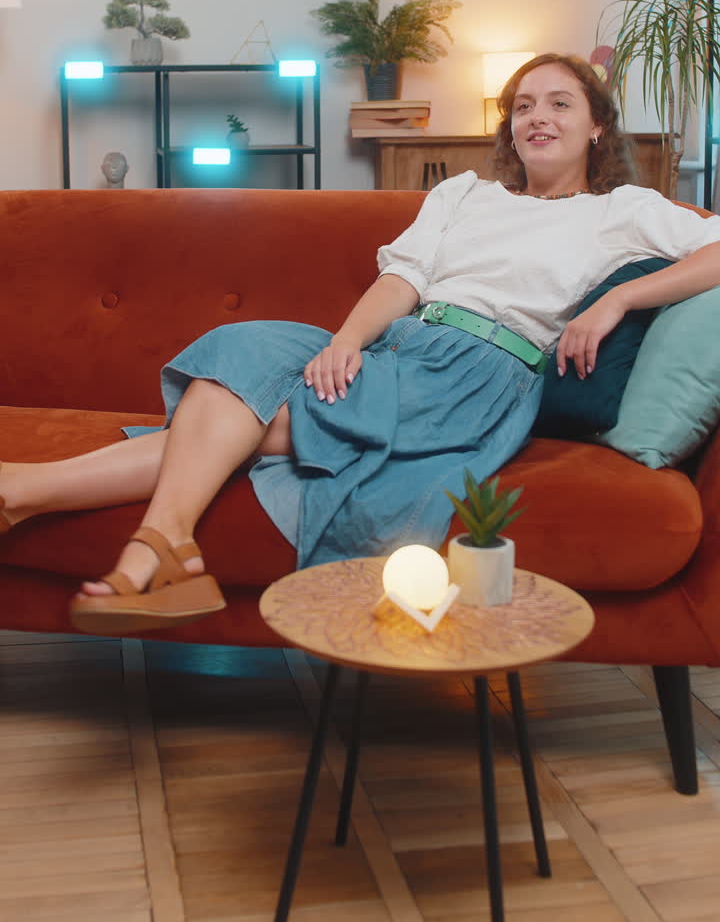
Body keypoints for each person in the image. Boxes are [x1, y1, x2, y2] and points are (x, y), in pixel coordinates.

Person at [2, 53, 720, 636]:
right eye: (524, 105)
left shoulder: (624, 211)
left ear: (598, 126)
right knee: (240, 357)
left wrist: (622, 296)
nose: (539, 117)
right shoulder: (465, 194)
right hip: (402, 348)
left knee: (256, 420)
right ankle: (159, 545)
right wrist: (345, 342)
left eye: (561, 103)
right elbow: (403, 279)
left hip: (479, 376)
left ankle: (41, 497)